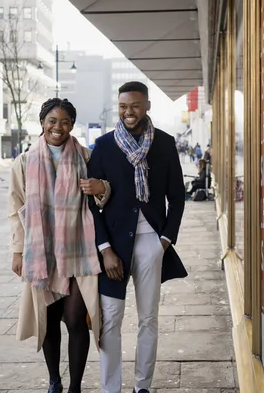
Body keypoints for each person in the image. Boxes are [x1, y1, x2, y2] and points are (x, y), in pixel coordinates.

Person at [88, 81, 187, 393]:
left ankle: (142, 386)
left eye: (134, 106)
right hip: (114, 247)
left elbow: (178, 197)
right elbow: (91, 204)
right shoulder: (103, 146)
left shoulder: (165, 144)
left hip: (151, 244)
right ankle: (111, 388)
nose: (128, 112)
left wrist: (165, 241)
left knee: (148, 319)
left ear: (147, 106)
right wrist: (104, 249)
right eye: (122, 106)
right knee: (110, 321)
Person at [9, 98, 112, 393]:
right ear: (43, 122)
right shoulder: (24, 161)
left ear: (72, 125)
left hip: (79, 249)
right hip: (42, 252)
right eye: (52, 120)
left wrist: (101, 188)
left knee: (75, 318)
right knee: (50, 319)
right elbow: (15, 207)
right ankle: (54, 381)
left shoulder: (86, 156)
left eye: (65, 121)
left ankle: (75, 387)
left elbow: (107, 193)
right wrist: (17, 251)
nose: (58, 127)